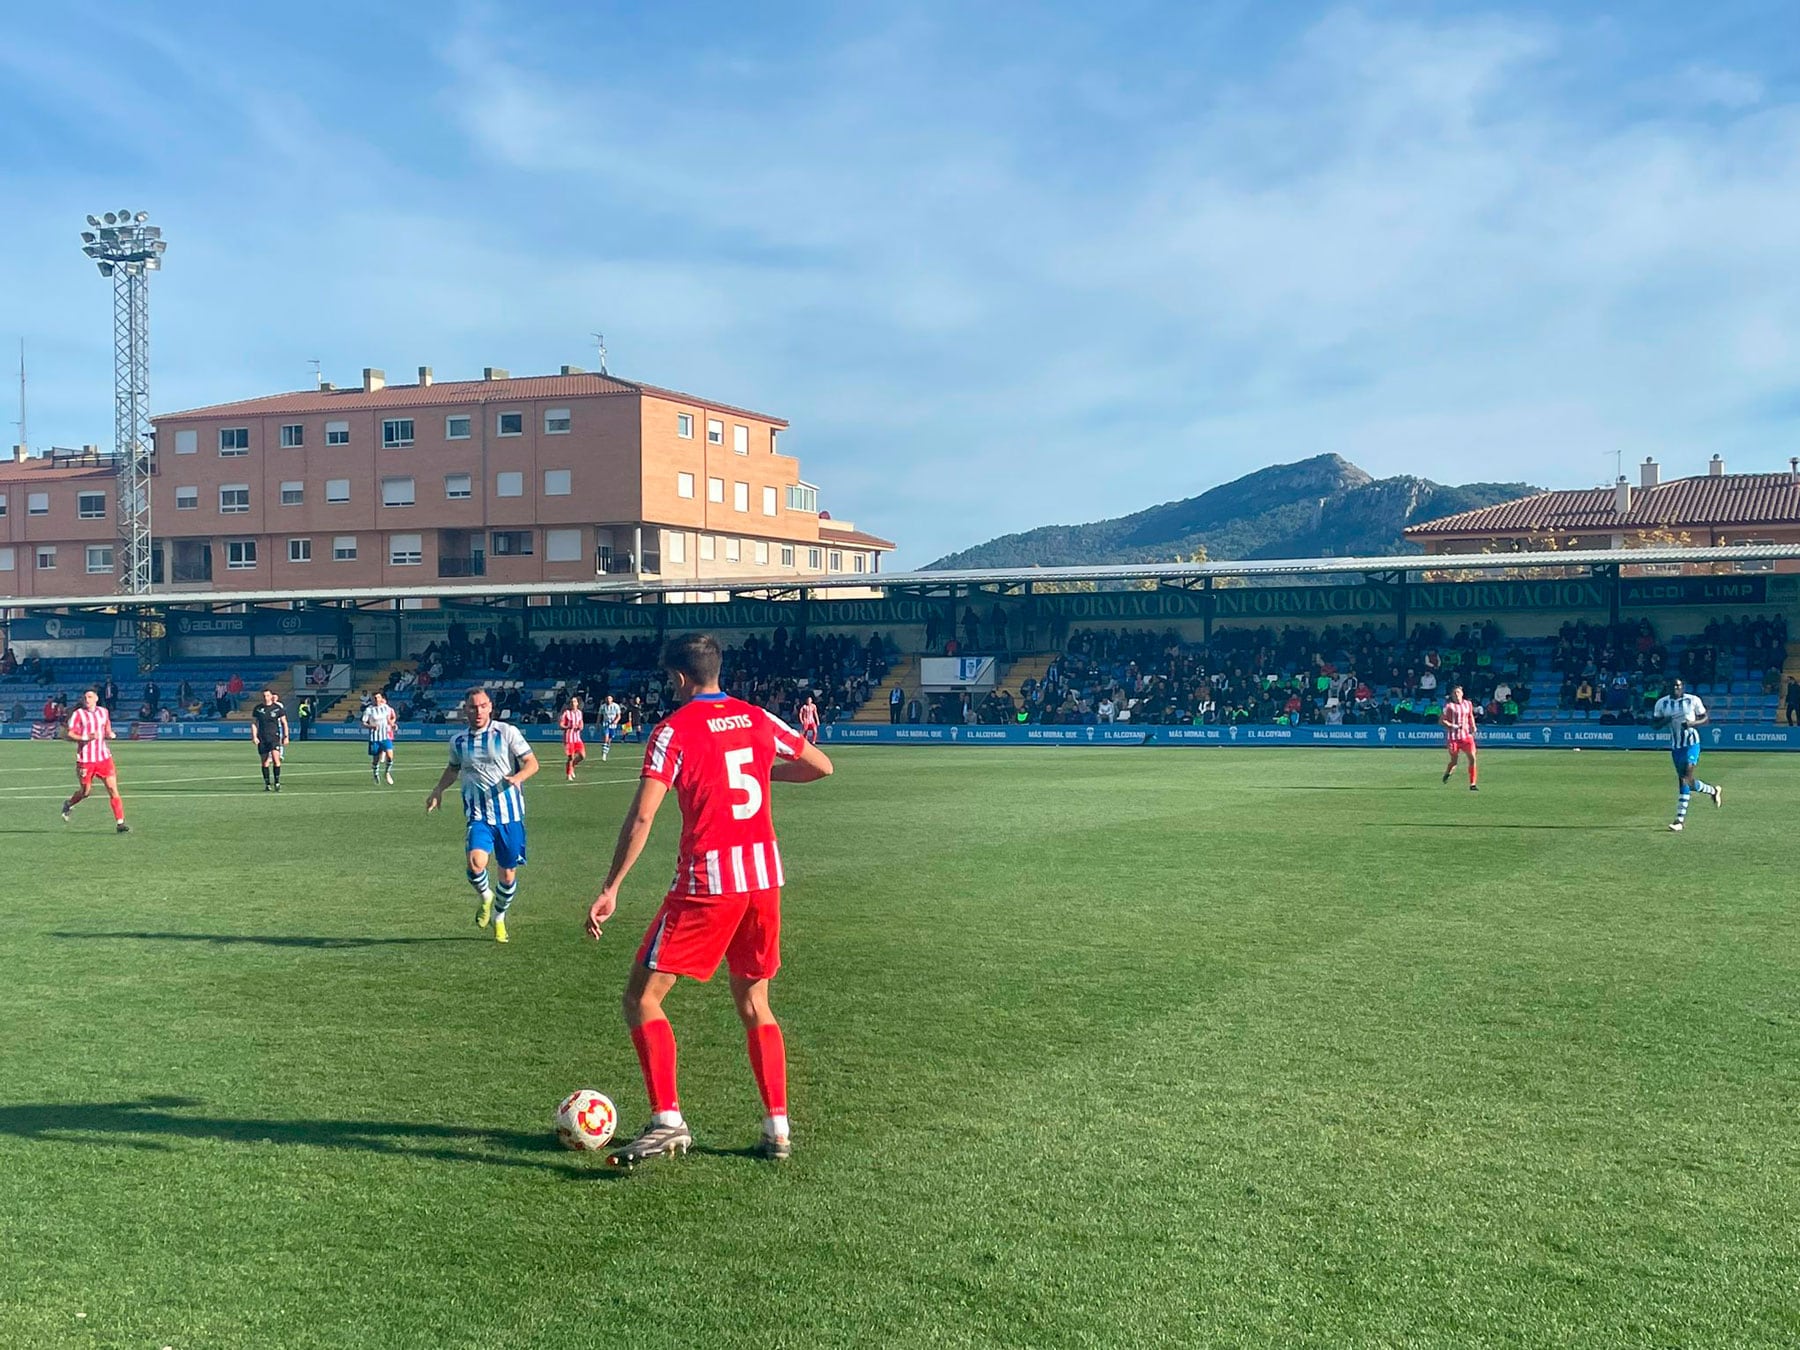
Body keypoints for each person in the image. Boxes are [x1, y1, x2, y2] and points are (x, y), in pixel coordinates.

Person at [586, 633, 834, 1167]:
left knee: (642, 998)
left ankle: (667, 1121)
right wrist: (766, 773)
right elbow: (820, 765)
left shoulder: (672, 730)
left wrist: (611, 886)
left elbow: (644, 815)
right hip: (764, 878)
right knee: (755, 1002)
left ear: (678, 677)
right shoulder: (758, 717)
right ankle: (778, 1130)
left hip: (708, 883)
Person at [427, 689, 539, 943]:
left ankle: (499, 917)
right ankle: (486, 896)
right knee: (476, 862)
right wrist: (438, 789)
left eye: (482, 706)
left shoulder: (506, 732)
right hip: (478, 815)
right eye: (472, 707)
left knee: (507, 875)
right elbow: (453, 769)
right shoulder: (458, 741)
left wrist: (518, 778)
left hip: (509, 816)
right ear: (465, 710)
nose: (478, 711)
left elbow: (532, 763)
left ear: (491, 707)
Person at [1652, 678, 1721, 831]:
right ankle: (1713, 791)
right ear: (1668, 687)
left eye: (1678, 685)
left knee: (1685, 778)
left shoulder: (1692, 700)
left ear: (1683, 687)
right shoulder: (1662, 703)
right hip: (1676, 747)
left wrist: (1692, 723)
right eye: (1672, 685)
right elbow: (1654, 725)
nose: (1675, 688)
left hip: (1692, 743)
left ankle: (1679, 820)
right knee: (1688, 781)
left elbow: (1705, 718)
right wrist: (1666, 720)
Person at [61, 688, 129, 832]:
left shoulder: (103, 712)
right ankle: (69, 803)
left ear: (96, 698)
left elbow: (107, 729)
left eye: (90, 697)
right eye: (85, 697)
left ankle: (120, 823)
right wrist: (85, 738)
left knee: (112, 789)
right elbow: (69, 734)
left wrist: (110, 734)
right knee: (85, 792)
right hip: (86, 759)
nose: (87, 699)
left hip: (104, 757)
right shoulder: (78, 714)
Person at [1440, 682, 1479, 791]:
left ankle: (1472, 784)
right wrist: (1453, 725)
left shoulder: (1468, 704)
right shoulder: (1449, 706)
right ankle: (1448, 772)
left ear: (1462, 693)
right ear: (1452, 695)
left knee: (1472, 758)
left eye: (1458, 692)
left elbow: (1470, 715)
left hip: (1466, 736)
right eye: (1454, 693)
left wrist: (1473, 726)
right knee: (1454, 761)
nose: (1456, 694)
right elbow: (1442, 720)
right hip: (1454, 738)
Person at [250, 688, 290, 792]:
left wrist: (286, 736)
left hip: (274, 737)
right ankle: (267, 784)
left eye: (267, 695)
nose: (265, 698)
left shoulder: (277, 708)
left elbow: (284, 723)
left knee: (276, 760)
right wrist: (254, 736)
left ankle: (277, 782)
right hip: (262, 738)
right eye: (263, 696)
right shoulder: (258, 709)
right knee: (264, 762)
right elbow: (254, 723)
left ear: (271, 696)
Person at [362, 690, 398, 785]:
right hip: (374, 738)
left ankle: (387, 772)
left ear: (381, 698)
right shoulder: (369, 710)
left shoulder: (386, 708)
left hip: (385, 736)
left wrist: (393, 725)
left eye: (378, 697)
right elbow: (363, 723)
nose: (376, 699)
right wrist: (371, 726)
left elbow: (388, 719)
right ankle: (375, 774)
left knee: (390, 756)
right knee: (376, 759)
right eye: (374, 698)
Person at [559, 695, 587, 783]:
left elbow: (581, 723)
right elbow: (561, 725)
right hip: (569, 738)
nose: (573, 703)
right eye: (571, 702)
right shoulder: (566, 713)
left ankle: (572, 767)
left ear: (577, 703)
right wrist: (567, 726)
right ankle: (568, 774)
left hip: (577, 738)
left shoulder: (579, 713)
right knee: (571, 757)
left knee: (582, 756)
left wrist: (580, 727)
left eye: (574, 702)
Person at [600, 694, 623, 762]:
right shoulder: (603, 706)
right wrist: (597, 724)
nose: (608, 700)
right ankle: (604, 754)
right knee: (606, 738)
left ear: (612, 699)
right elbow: (599, 715)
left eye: (609, 698)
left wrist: (616, 721)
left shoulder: (616, 706)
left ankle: (606, 751)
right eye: (607, 698)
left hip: (613, 725)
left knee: (609, 740)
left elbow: (619, 716)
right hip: (605, 724)